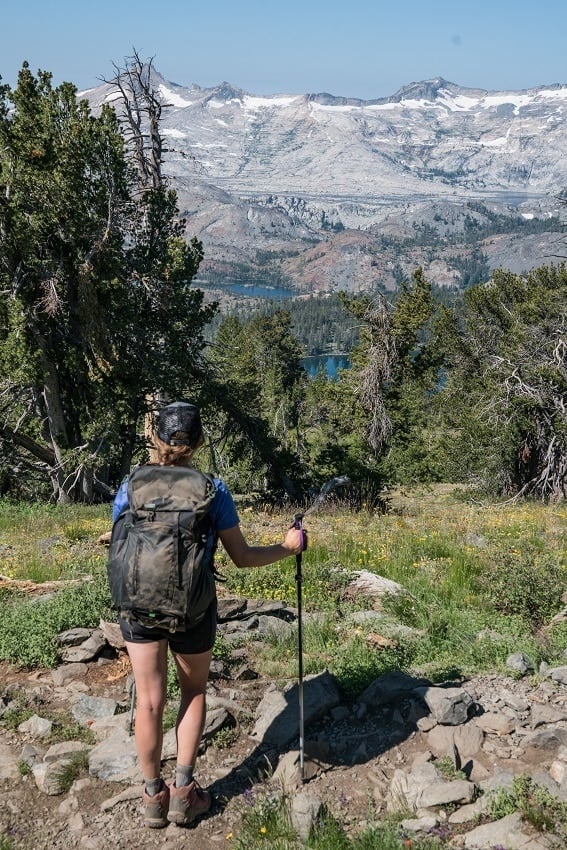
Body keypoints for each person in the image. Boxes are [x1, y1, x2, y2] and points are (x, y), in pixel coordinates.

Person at [112, 401, 305, 829]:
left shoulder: (130, 487)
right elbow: (241, 556)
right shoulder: (212, 490)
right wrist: (288, 547)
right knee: (193, 693)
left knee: (147, 700)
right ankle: (184, 794)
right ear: (198, 441)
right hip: (193, 608)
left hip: (138, 606)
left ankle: (151, 797)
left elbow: (121, 544)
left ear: (155, 439)